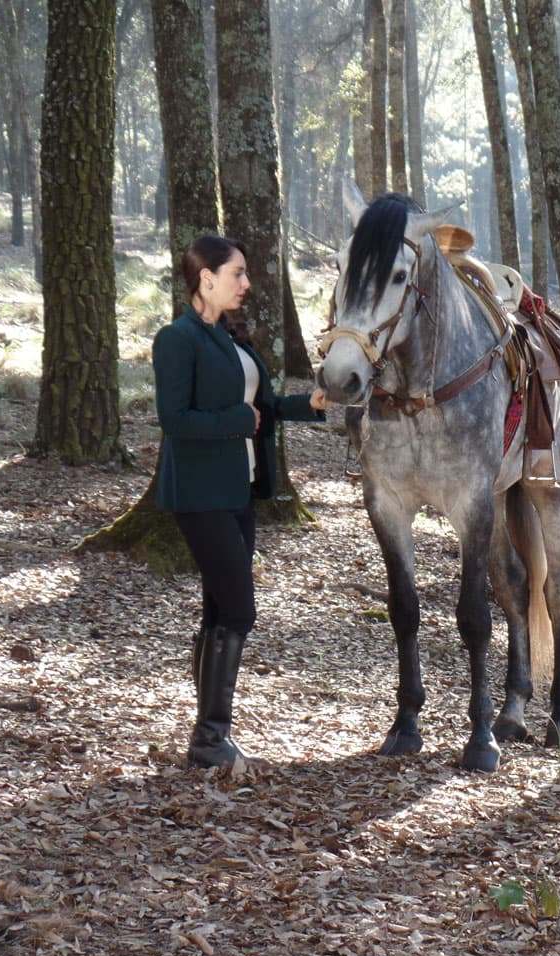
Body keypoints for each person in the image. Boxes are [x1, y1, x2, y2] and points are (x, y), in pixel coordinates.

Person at [153, 235, 328, 770]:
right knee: (239, 609)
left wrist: (311, 403)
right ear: (205, 277)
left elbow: (264, 406)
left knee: (218, 609)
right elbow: (174, 420)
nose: (246, 283)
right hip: (199, 495)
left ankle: (206, 736)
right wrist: (236, 421)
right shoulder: (176, 339)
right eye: (237, 274)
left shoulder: (231, 338)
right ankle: (210, 737)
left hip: (239, 491)